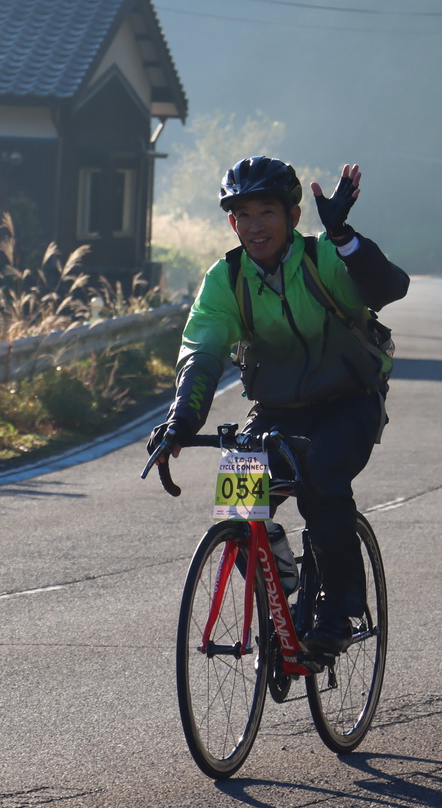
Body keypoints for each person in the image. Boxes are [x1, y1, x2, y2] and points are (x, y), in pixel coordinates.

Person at [147, 156, 409, 658]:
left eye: (266, 211)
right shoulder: (227, 278)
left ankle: (338, 613)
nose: (254, 226)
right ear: (231, 223)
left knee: (321, 478)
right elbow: (201, 353)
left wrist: (345, 236)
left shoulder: (323, 257)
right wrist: (182, 419)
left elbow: (389, 288)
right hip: (275, 410)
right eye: (242, 215)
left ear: (292, 215)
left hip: (348, 404)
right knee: (239, 495)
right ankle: (282, 576)